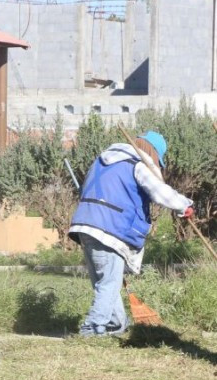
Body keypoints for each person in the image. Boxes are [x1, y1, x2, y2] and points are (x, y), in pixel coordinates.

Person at [68, 130, 193, 336]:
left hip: (85, 225)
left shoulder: (101, 161)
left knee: (105, 282)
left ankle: (116, 324)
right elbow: (160, 191)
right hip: (110, 228)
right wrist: (184, 206)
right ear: (152, 154)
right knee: (108, 282)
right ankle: (92, 328)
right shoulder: (136, 165)